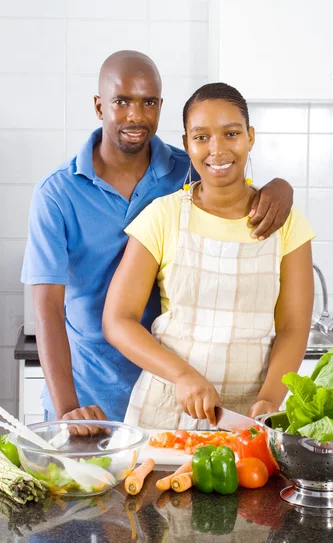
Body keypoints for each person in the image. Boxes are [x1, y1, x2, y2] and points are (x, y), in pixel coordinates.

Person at [21, 51, 294, 424]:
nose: (136, 115)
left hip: (168, 391)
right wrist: (69, 407)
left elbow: (235, 183)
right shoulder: (57, 193)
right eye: (121, 101)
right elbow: (48, 309)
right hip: (90, 394)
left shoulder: (188, 168)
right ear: (100, 106)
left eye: (148, 102)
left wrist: (279, 187)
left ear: (160, 106)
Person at [103, 82, 315, 429]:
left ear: (250, 137)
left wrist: (270, 399)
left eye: (231, 133)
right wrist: (182, 374)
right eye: (201, 137)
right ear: (186, 144)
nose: (217, 149)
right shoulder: (162, 216)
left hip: (249, 414)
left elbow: (293, 327)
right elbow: (117, 320)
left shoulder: (287, 223)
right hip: (167, 409)